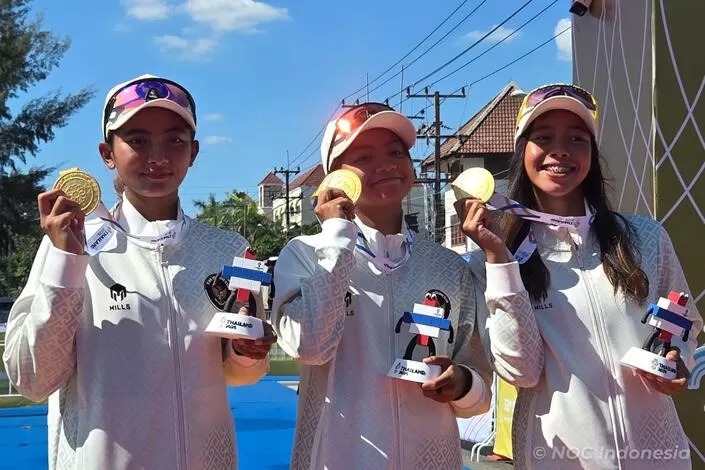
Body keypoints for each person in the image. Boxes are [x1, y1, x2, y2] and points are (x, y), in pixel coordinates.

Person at [2, 73, 276, 470]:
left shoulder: (227, 249)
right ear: (107, 153)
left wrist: (246, 354)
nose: (158, 156)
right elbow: (33, 380)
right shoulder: (71, 244)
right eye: (138, 140)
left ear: (194, 151)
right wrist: (66, 263)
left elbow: (239, 374)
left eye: (175, 140)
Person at [454, 83, 704, 469]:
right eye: (543, 137)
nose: (560, 150)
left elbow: (684, 326)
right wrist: (500, 261)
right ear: (522, 151)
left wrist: (677, 362)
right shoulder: (490, 261)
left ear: (592, 154)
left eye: (577, 139)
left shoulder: (647, 238)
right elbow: (521, 371)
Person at [271, 102, 492, 469]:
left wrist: (464, 384)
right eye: (364, 157)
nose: (385, 165)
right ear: (335, 177)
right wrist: (337, 237)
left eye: (395, 152)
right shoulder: (305, 255)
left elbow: (479, 381)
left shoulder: (449, 266)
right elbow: (310, 346)